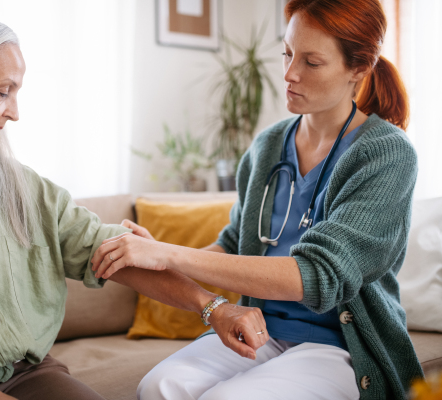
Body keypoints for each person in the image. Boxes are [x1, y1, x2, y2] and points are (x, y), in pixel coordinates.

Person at [0, 8, 269, 400]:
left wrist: (213, 307)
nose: (14, 113)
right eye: (3, 91)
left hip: (27, 376)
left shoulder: (22, 186)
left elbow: (113, 252)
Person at [91, 0, 424, 398]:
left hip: (339, 346)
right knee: (159, 386)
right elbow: (233, 245)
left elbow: (318, 276)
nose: (289, 74)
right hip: (261, 331)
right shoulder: (268, 146)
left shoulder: (386, 154)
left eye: (311, 62)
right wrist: (155, 252)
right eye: (286, 53)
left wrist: (171, 254)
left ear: (359, 68)